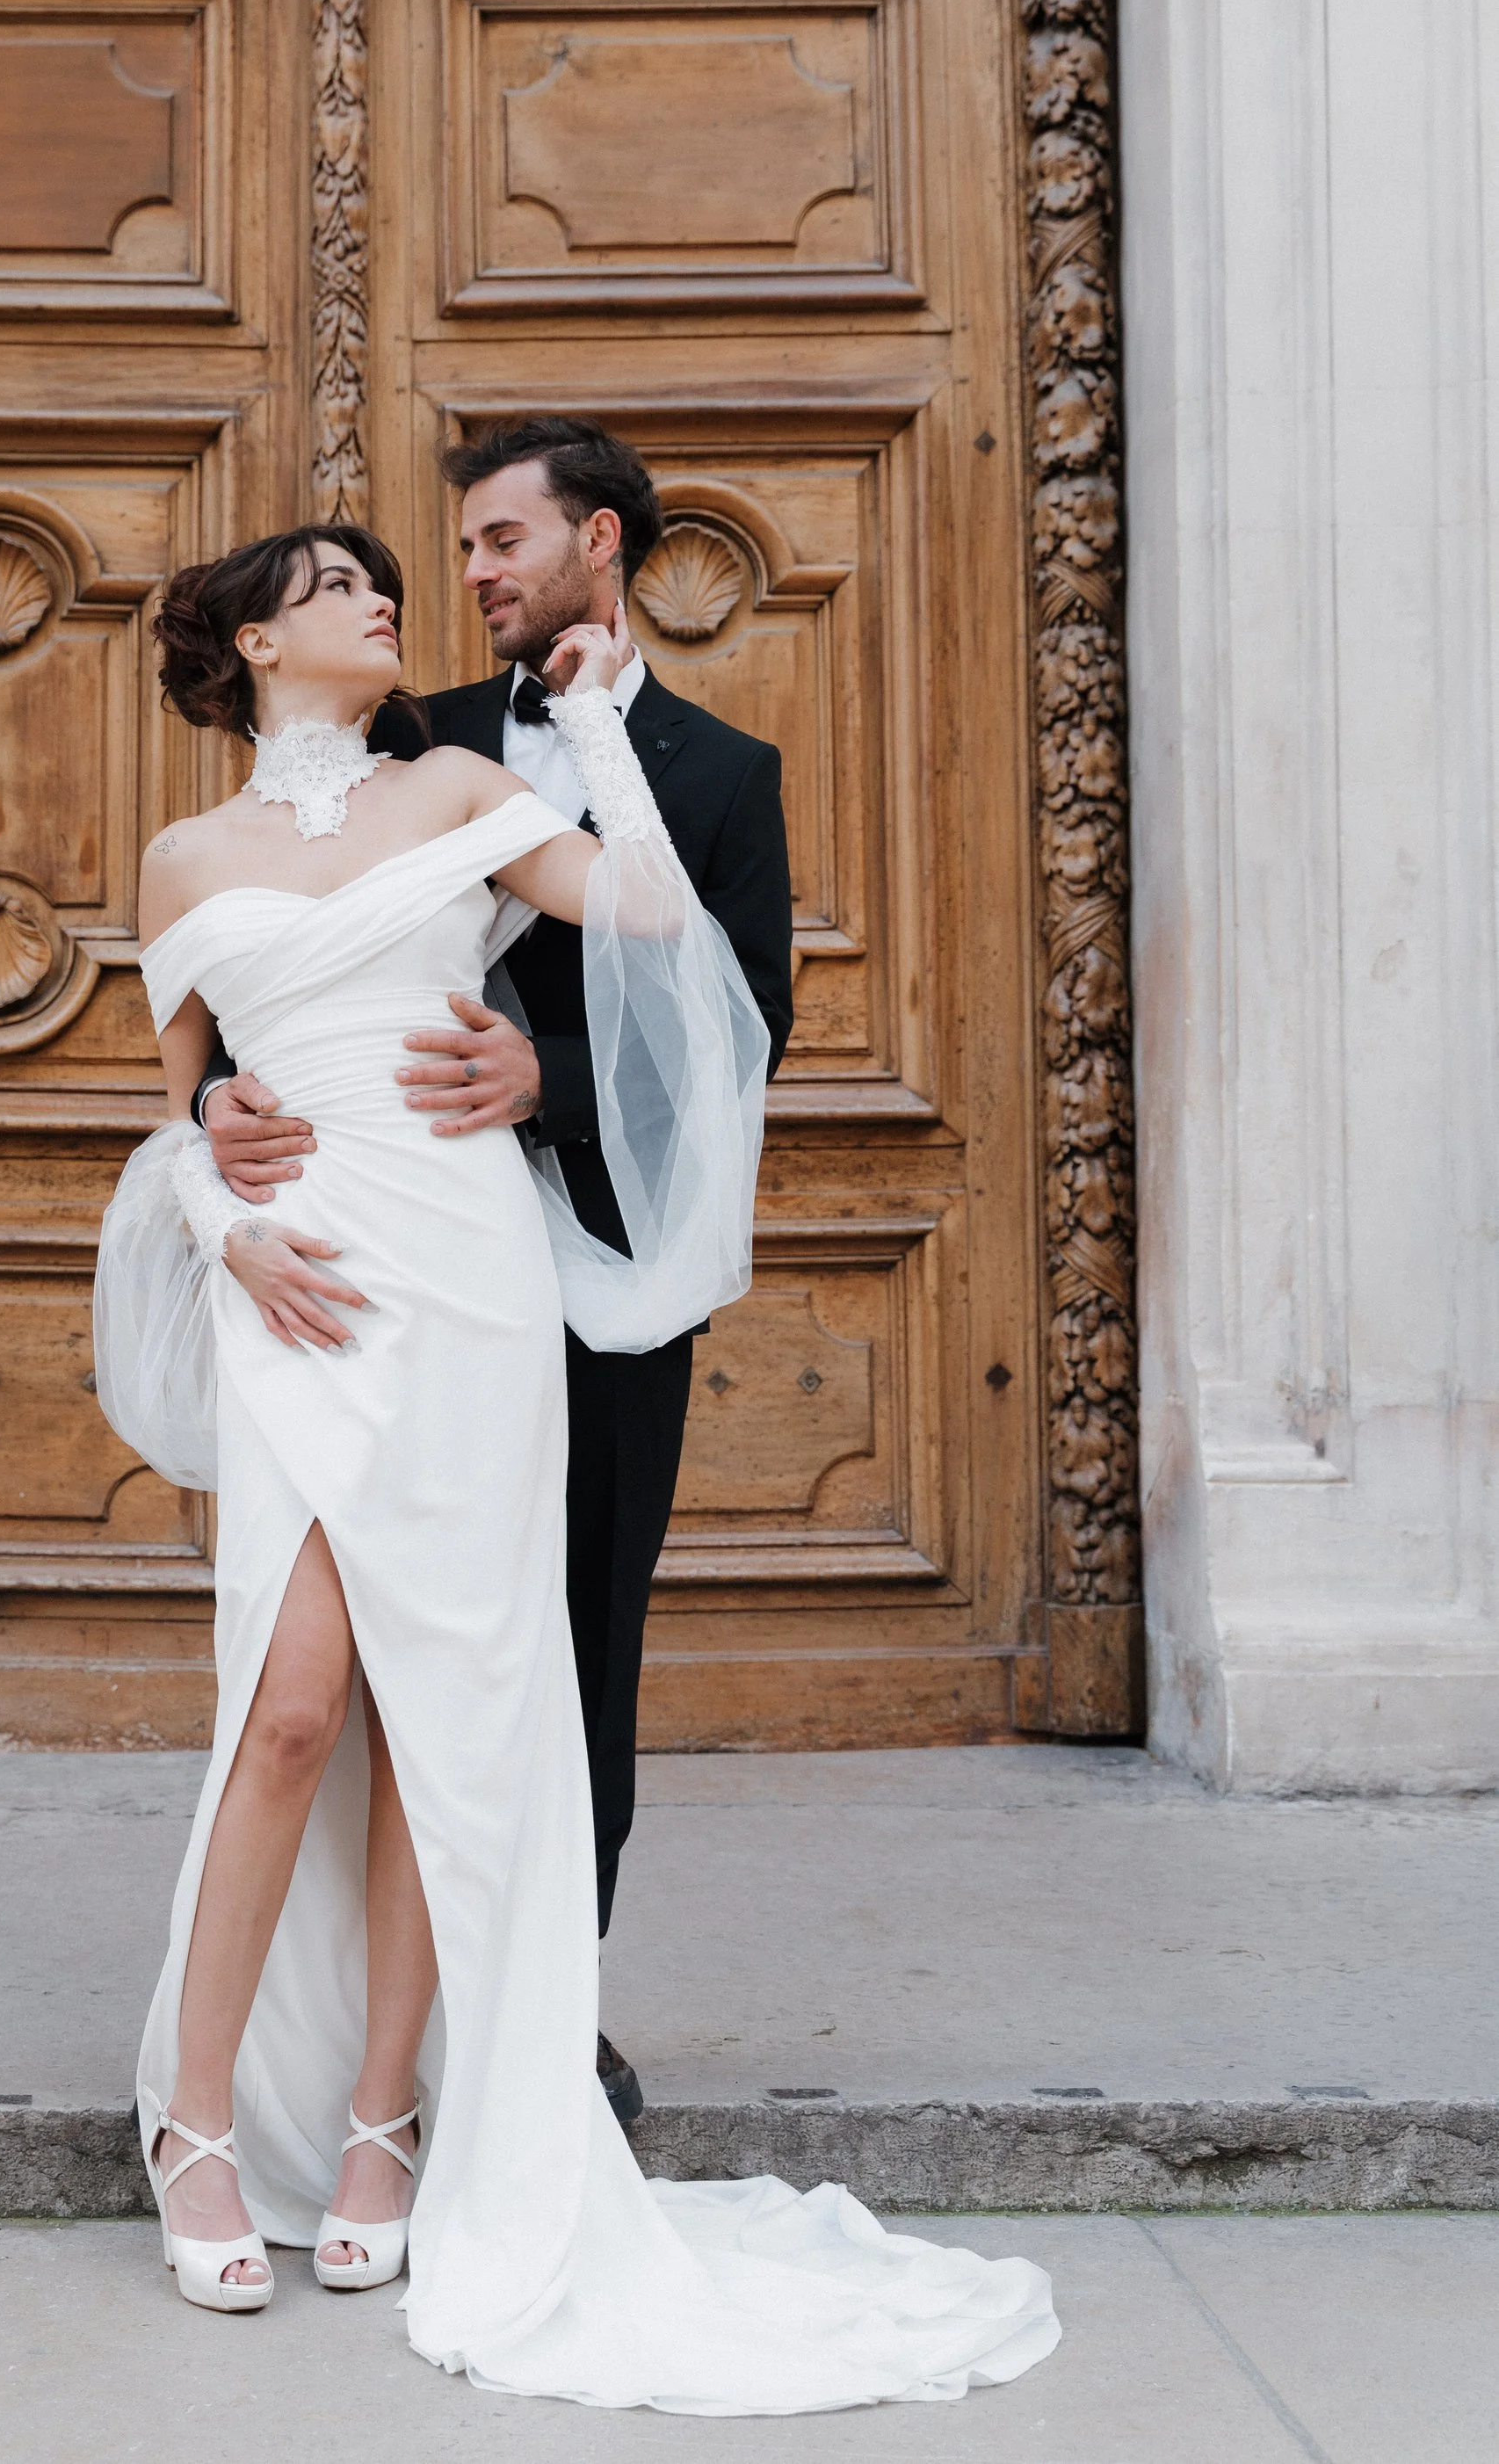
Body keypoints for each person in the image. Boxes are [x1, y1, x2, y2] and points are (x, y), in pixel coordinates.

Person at [92, 519, 1059, 2410]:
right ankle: (193, 2116)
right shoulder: (180, 858)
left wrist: (603, 730)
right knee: (289, 1709)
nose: (385, 598)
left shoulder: (459, 781)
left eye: (393, 577)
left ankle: (387, 2114)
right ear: (250, 637)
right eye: (338, 582)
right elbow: (184, 1106)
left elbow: (642, 919)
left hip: (460, 1272)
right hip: (300, 1285)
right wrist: (227, 1226)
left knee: (453, 1704)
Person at [199, 419, 793, 2125]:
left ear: (594, 542)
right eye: (458, 549)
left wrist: (549, 1075)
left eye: (497, 541)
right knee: (361, 1651)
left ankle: (549, 1998)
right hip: (393, 1246)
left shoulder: (717, 771)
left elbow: (744, 1016)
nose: (466, 574)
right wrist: (214, 1113)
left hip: (600, 1253)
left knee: (571, 1636)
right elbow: (268, 945)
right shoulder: (419, 737)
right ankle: (347, 2028)